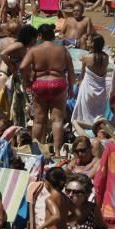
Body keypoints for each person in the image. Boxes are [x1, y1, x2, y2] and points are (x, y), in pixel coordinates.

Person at [20, 23, 75, 156]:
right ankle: (57, 152)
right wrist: (71, 87)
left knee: (39, 119)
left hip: (40, 84)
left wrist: (27, 80)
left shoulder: (34, 50)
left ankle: (36, 150)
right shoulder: (62, 50)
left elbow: (22, 67)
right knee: (57, 119)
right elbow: (71, 71)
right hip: (58, 84)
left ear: (40, 36)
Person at [72, 34, 110, 124]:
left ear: (93, 43)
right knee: (98, 114)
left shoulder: (87, 58)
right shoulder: (106, 57)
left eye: (88, 40)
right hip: (101, 89)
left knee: (85, 115)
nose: (86, 41)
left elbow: (82, 75)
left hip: (88, 89)